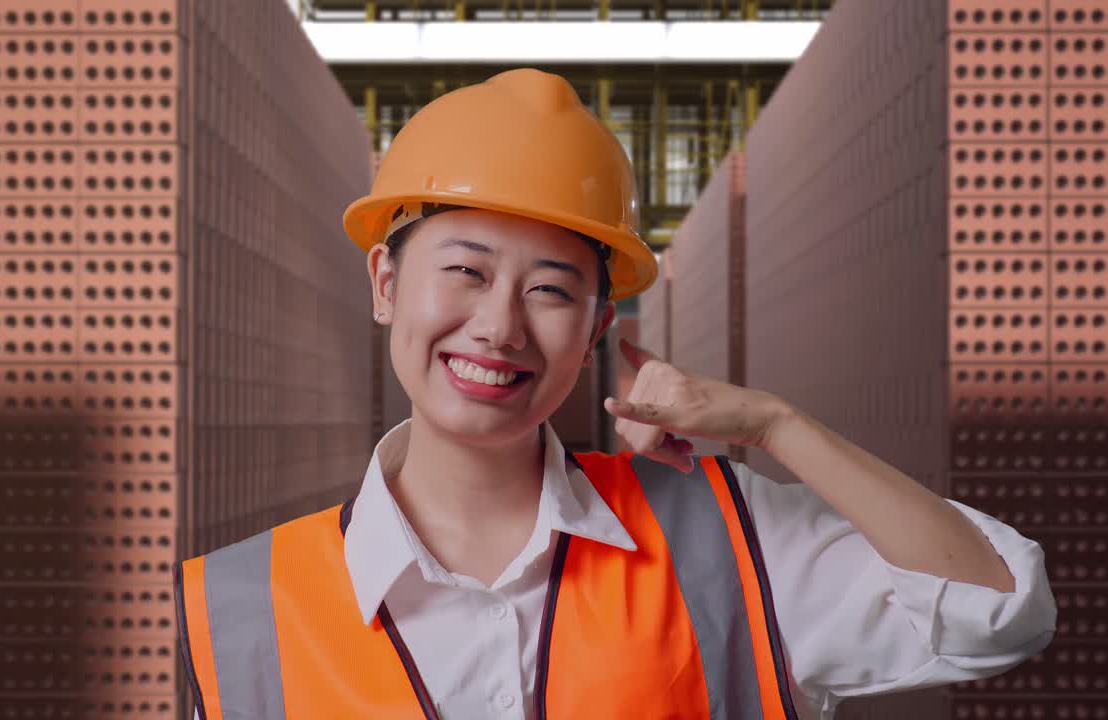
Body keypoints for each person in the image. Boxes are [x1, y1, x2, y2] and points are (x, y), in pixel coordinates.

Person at [174, 68, 1055, 720]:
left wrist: (777, 426)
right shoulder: (243, 604)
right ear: (385, 283)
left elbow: (998, 609)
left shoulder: (724, 541)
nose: (499, 327)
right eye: (464, 272)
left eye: (551, 290)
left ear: (597, 327)